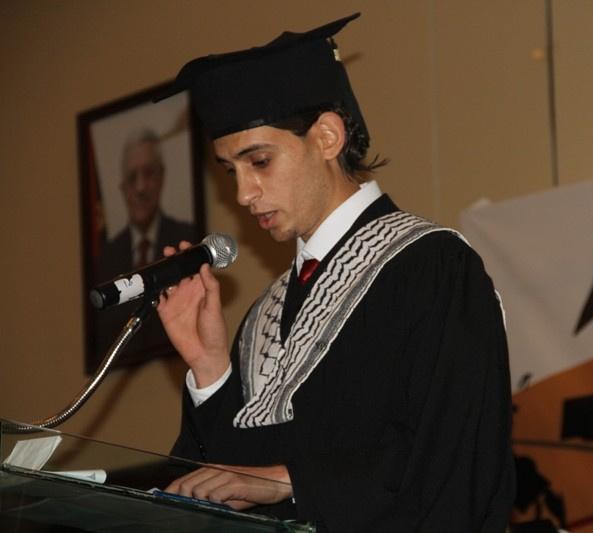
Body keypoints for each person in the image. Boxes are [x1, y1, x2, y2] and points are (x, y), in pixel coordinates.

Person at [154, 13, 515, 532]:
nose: (243, 194)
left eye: (259, 162)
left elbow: (455, 465)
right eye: (230, 171)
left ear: (326, 137)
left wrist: (293, 481)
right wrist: (210, 368)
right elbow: (230, 489)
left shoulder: (432, 267)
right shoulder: (264, 315)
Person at [93, 128, 197, 367]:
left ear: (162, 178)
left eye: (149, 173)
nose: (141, 187)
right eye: (132, 177)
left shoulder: (185, 243)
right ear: (123, 187)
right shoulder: (105, 259)